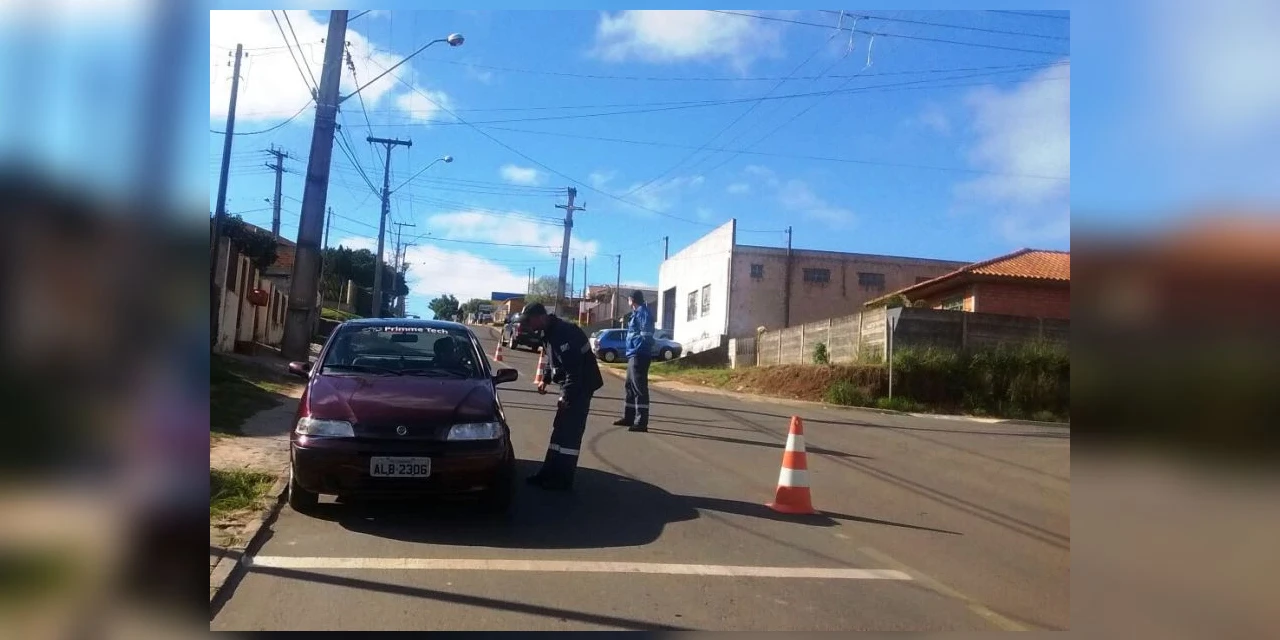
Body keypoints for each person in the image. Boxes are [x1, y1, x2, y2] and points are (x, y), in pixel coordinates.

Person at [519, 303, 604, 490]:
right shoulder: (548, 333)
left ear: (540, 317)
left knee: (570, 433)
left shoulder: (565, 333)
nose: (527, 325)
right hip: (570, 383)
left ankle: (563, 480)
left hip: (581, 386)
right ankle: (548, 473)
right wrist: (545, 379)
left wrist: (565, 397)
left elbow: (574, 371)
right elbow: (552, 358)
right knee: (559, 428)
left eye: (528, 321)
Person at [614, 289, 655, 432]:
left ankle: (641, 422)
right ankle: (629, 417)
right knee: (630, 386)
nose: (628, 301)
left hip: (639, 354)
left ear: (632, 300)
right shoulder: (636, 313)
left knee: (639, 388)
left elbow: (647, 335)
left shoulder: (643, 312)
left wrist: (638, 347)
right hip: (633, 354)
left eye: (629, 299)